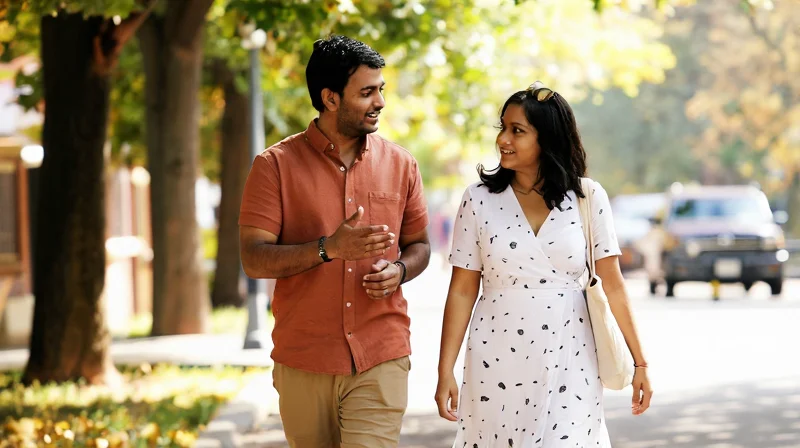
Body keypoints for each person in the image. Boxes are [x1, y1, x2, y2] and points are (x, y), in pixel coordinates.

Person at [435, 82, 653, 447]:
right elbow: (461, 290)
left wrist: (640, 363)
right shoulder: (478, 199)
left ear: (547, 138)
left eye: (517, 130)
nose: (503, 139)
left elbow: (613, 284)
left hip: (572, 353)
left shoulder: (587, 196)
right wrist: (445, 371)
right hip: (496, 359)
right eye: (503, 128)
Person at [239, 35, 431, 448]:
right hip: (304, 359)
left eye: (380, 90)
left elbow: (420, 245)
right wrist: (328, 249)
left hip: (380, 354)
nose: (380, 102)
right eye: (366, 93)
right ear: (330, 98)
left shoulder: (401, 164)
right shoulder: (274, 166)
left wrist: (400, 271)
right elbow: (253, 259)